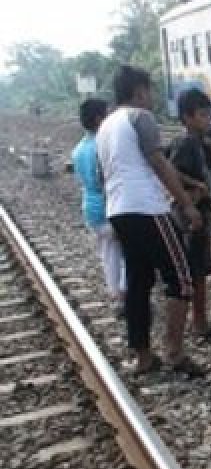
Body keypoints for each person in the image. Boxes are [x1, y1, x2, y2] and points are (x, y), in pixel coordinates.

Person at [96, 65, 206, 376]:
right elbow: (158, 161)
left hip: (118, 209)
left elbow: (103, 173)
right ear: (140, 90)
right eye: (150, 91)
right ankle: (174, 352)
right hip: (145, 207)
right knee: (181, 278)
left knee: (139, 282)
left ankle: (144, 357)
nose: (152, 97)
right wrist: (187, 205)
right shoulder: (140, 117)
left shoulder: (106, 125)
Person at [169, 89, 211, 343]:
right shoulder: (185, 143)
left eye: (209, 114)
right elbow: (170, 171)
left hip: (201, 211)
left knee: (200, 268)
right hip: (193, 213)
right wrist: (197, 187)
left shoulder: (198, 142)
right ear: (187, 117)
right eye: (202, 115)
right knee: (195, 268)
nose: (208, 119)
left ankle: (200, 319)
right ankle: (199, 322)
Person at [71, 98, 125, 313]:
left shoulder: (78, 149)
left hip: (90, 209)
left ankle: (117, 295)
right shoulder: (102, 145)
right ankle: (126, 294)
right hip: (108, 206)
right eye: (107, 113)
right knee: (126, 251)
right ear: (98, 119)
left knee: (108, 252)